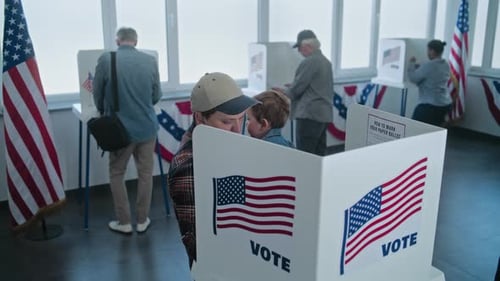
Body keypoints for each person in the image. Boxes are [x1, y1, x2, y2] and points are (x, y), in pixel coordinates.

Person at [168, 72, 258, 267]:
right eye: (226, 121)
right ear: (200, 118)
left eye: (242, 119)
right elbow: (200, 246)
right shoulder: (189, 166)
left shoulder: (218, 144)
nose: (237, 129)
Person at [93, 27, 161, 234]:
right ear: (136, 41)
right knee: (146, 175)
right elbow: (156, 95)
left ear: (118, 40)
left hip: (120, 130)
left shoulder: (107, 59)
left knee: (116, 173)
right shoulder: (150, 61)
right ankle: (142, 220)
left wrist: (103, 110)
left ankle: (124, 222)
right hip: (147, 127)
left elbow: (97, 92)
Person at [275, 30, 333, 156]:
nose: (299, 52)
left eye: (300, 48)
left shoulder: (310, 61)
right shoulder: (325, 61)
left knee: (305, 153)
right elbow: (317, 85)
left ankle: (305, 176)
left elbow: (297, 89)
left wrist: (283, 92)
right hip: (323, 114)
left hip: (309, 114)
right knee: (319, 152)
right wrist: (294, 86)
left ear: (308, 46)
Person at [407, 39, 453, 126]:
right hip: (445, 104)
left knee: (413, 127)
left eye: (428, 50)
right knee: (433, 129)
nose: (427, 53)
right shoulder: (445, 64)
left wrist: (411, 64)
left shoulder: (429, 66)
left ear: (432, 51)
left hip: (431, 106)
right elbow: (432, 75)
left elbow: (413, 78)